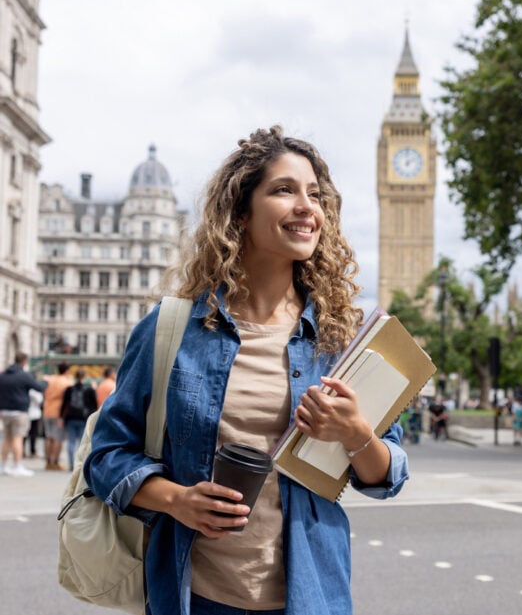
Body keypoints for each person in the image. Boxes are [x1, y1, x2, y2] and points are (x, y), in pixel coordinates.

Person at [84, 126, 409, 615]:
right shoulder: (171, 328)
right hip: (195, 594)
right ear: (240, 211)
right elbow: (107, 455)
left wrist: (356, 433)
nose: (307, 207)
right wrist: (176, 500)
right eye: (284, 190)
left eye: (315, 195)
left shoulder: (339, 339)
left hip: (312, 594)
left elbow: (388, 475)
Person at [0, 352, 48, 477]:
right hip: (19, 411)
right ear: (24, 362)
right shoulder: (24, 375)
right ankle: (17, 465)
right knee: (18, 438)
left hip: (4, 411)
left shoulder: (3, 375)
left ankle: (3, 465)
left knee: (7, 438)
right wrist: (45, 382)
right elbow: (39, 388)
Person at [60, 368, 97, 470]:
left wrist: (61, 418)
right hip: (84, 418)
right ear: (85, 377)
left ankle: (71, 464)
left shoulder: (69, 389)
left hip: (71, 418)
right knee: (82, 443)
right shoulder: (89, 389)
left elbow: (64, 405)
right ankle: (80, 465)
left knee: (71, 441)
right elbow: (94, 406)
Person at [42, 362, 74, 470]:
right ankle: (55, 462)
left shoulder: (50, 379)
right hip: (58, 411)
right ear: (66, 371)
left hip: (47, 410)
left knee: (48, 437)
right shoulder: (67, 382)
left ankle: (47, 461)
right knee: (57, 438)